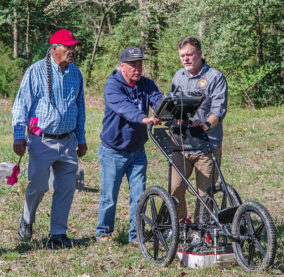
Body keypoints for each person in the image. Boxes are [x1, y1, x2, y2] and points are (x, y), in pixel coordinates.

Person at [12, 29, 87, 249]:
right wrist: (19, 137)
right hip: (41, 140)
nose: (72, 51)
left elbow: (80, 108)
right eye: (68, 47)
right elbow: (21, 105)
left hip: (68, 141)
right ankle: (27, 218)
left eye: (74, 47)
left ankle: (57, 234)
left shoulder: (76, 73)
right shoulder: (35, 71)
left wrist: (81, 138)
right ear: (54, 48)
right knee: (38, 185)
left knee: (65, 188)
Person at [95, 46, 162, 246]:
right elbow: (124, 107)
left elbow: (157, 99)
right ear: (122, 66)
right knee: (109, 196)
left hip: (137, 151)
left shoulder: (147, 84)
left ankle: (136, 235)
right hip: (113, 151)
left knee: (139, 195)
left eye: (140, 64)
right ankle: (103, 232)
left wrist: (166, 109)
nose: (137, 68)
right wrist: (144, 118)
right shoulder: (112, 86)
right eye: (133, 65)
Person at [171, 36, 227, 225]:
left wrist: (206, 124)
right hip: (183, 144)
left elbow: (218, 110)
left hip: (206, 144)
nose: (186, 59)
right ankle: (180, 224)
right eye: (182, 56)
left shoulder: (214, 77)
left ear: (200, 54)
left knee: (205, 195)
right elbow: (173, 105)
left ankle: (199, 231)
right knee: (175, 188)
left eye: (189, 54)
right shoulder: (178, 76)